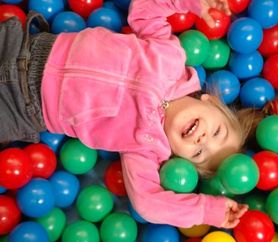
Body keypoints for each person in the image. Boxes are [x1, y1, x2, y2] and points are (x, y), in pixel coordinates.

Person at [0, 0, 263, 228]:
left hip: (20, 107)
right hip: (25, 45)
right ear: (211, 102)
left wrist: (208, 211)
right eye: (217, 132)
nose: (203, 139)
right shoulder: (170, 56)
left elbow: (148, 203)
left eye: (199, 154)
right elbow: (145, 9)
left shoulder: (147, 148)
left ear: (181, 160)